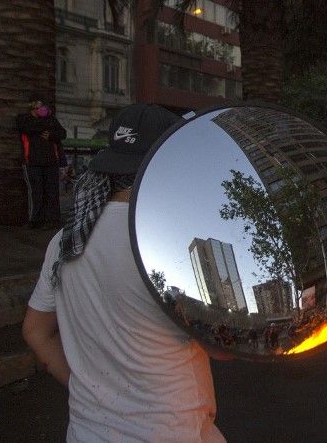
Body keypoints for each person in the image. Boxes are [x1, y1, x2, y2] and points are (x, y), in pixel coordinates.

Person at [23, 103, 226, 441]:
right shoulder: (172, 243)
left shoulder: (66, 239)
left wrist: (89, 390)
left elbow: (35, 331)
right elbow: (223, 347)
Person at [17, 93, 68, 229]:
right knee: (35, 192)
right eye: (40, 104)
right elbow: (29, 128)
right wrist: (47, 127)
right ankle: (35, 219)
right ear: (33, 105)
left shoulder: (51, 120)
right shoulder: (25, 119)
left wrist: (51, 134)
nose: (43, 108)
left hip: (51, 162)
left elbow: (62, 133)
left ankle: (51, 219)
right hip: (32, 162)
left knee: (51, 192)